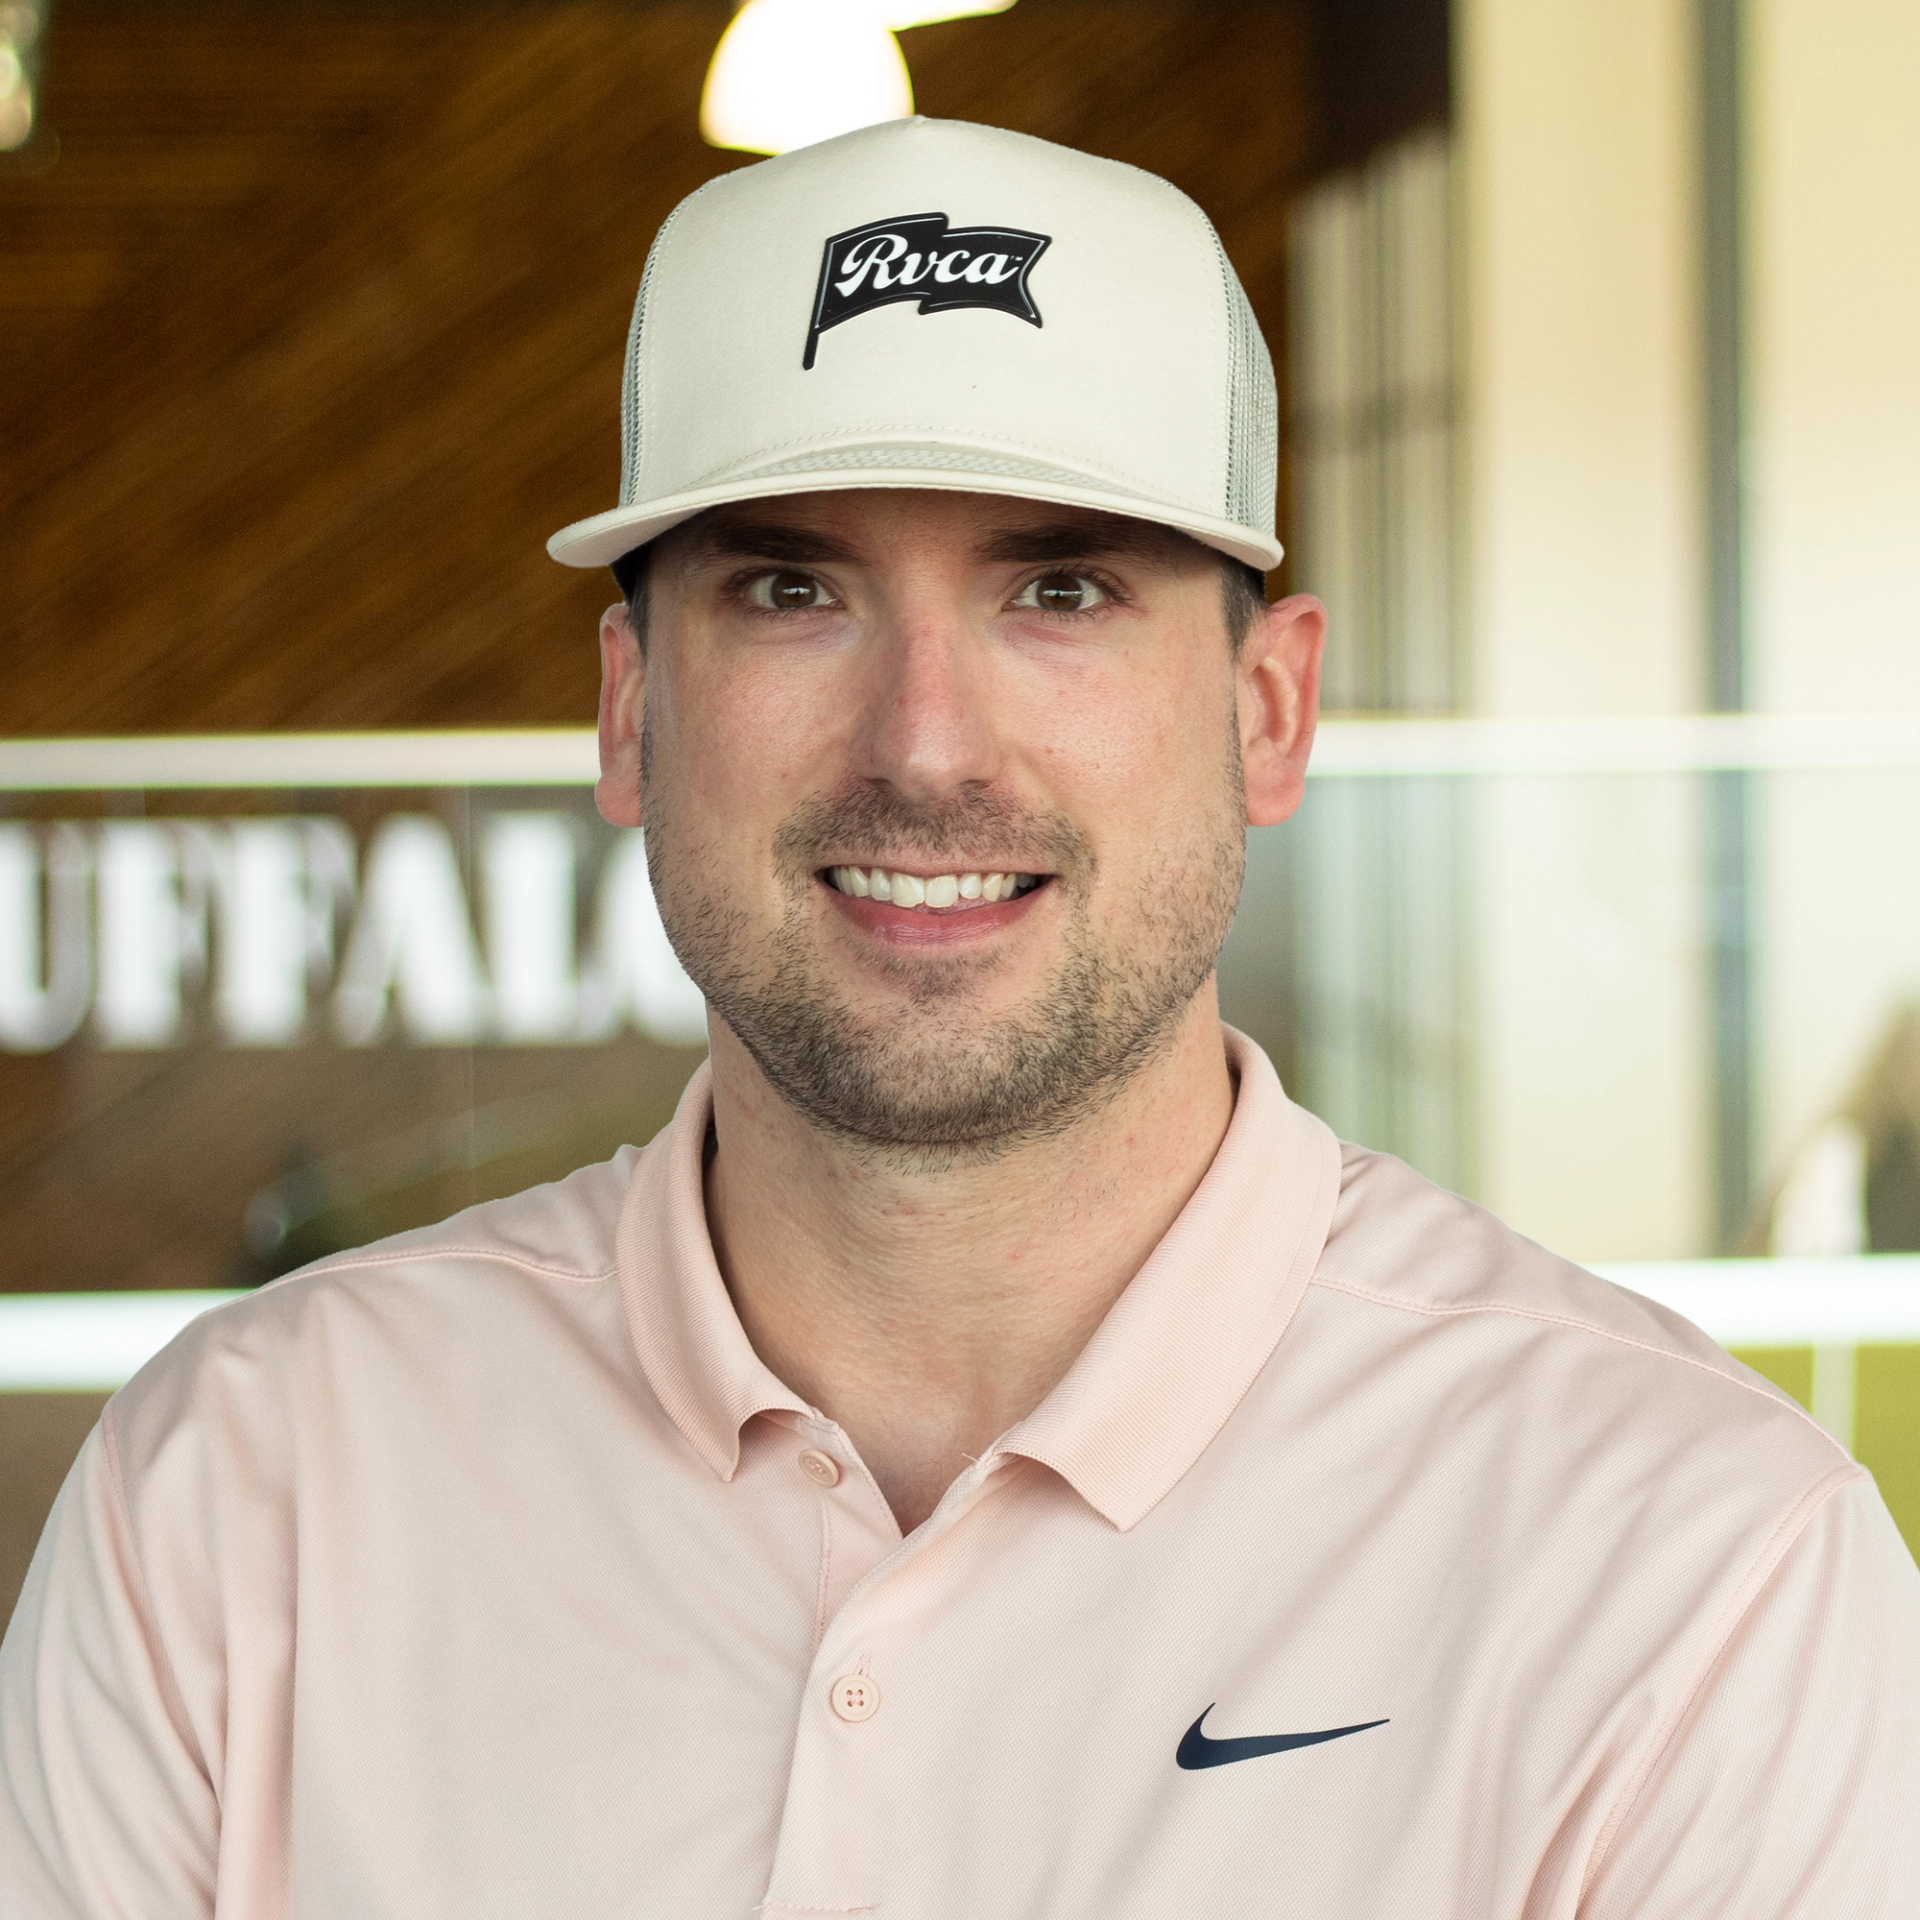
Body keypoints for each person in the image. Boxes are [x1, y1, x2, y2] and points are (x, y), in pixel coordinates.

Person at [3, 116, 1917, 1919]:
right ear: (626, 709)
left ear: (1269, 711)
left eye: (1059, 589)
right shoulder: (240, 1504)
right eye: (789, 589)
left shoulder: (1693, 1572)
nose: (924, 744)